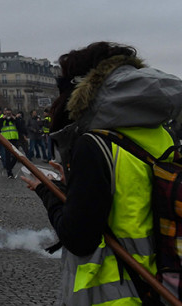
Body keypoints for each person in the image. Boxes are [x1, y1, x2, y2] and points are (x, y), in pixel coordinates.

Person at [26, 42, 182, 305]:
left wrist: (50, 192)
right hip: (159, 283)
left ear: (81, 89)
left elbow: (78, 238)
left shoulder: (94, 144)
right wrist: (75, 184)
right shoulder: (162, 134)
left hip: (113, 291)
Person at [0, 107, 25, 179]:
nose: (8, 115)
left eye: (9, 113)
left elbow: (20, 128)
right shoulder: (1, 119)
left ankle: (9, 167)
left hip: (14, 138)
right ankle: (9, 173)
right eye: (7, 113)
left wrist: (15, 119)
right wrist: (2, 119)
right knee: (7, 156)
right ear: (4, 112)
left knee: (16, 156)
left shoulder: (14, 119)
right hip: (6, 139)